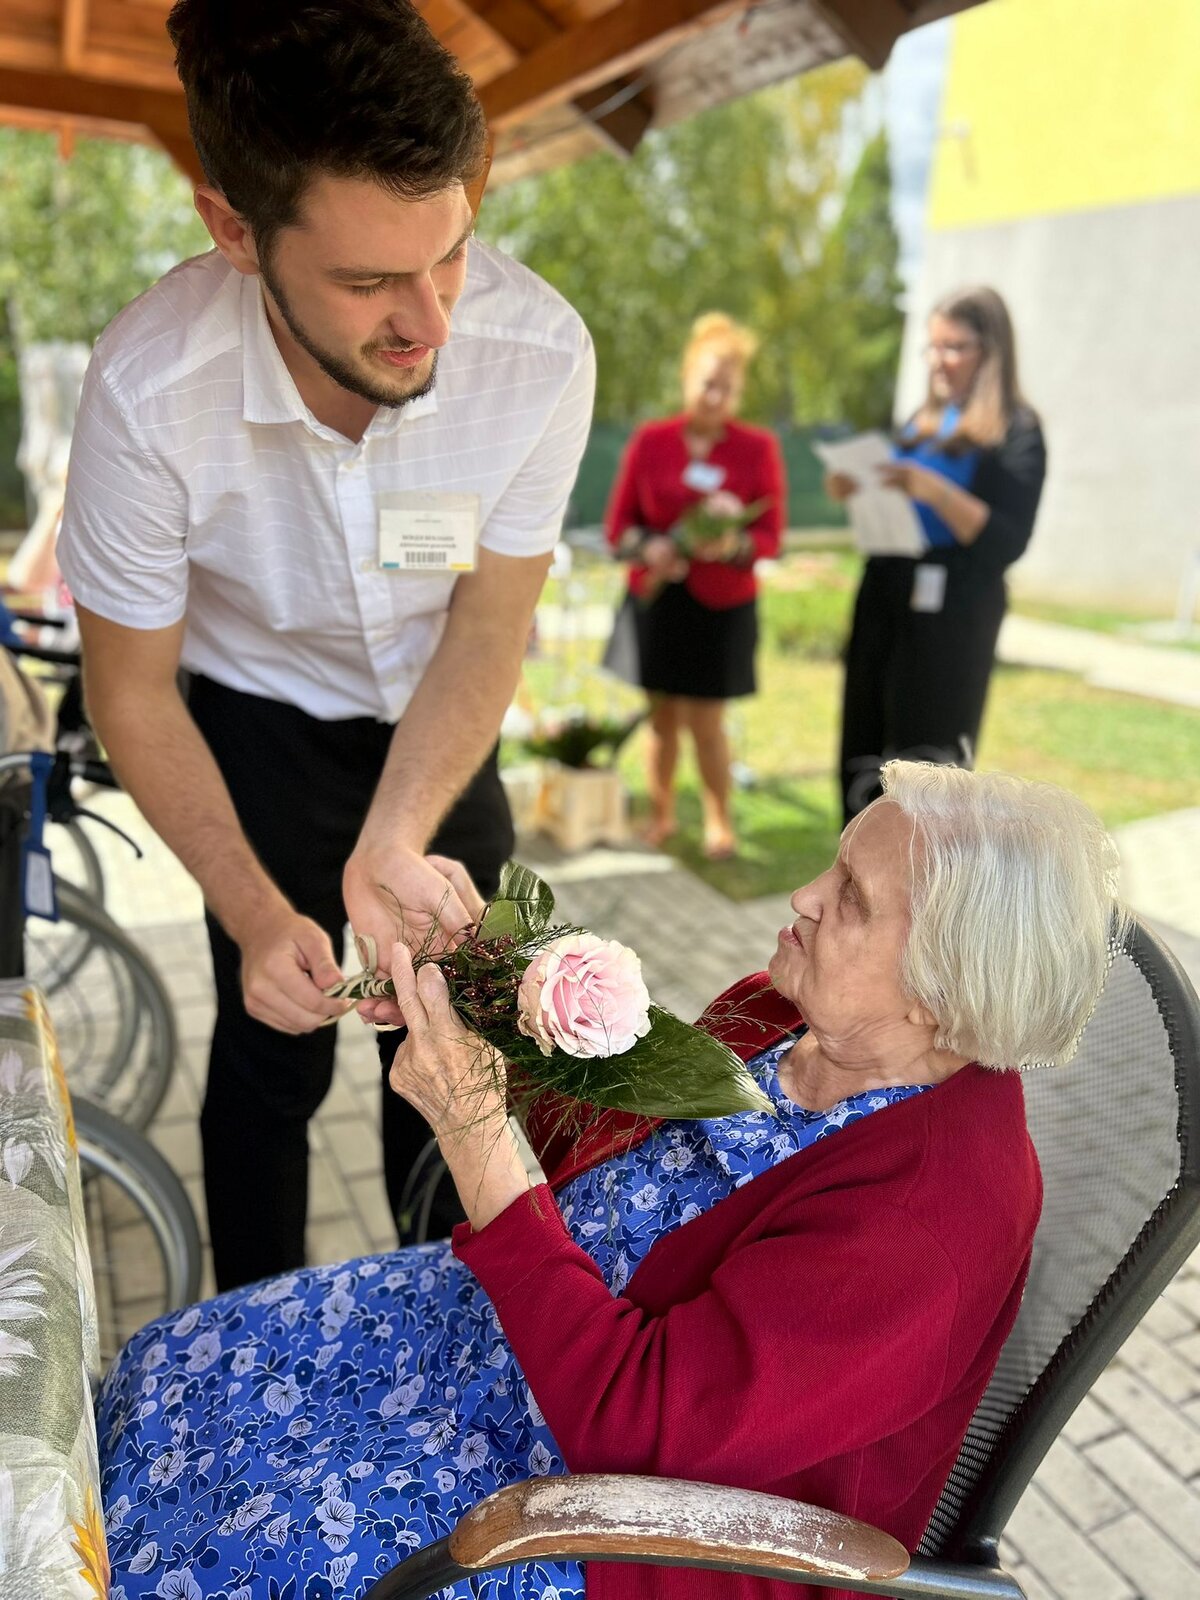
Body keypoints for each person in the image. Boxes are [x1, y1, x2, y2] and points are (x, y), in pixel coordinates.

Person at [96, 761, 1125, 1600]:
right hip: (511, 1339)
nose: (804, 896)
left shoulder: (930, 1217)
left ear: (943, 991)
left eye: (850, 898)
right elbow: (600, 1140)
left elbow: (637, 1430)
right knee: (176, 1362)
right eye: (834, 864)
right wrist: (482, 980)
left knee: (222, 1544)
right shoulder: (787, 1014)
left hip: (615, 1521)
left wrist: (473, 1133)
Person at [55, 0, 595, 1291]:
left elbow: (490, 627)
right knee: (270, 1053)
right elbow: (131, 690)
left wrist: (397, 836)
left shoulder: (540, 355)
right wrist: (252, 911)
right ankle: (255, 1333)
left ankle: (459, 1324)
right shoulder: (146, 388)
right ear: (234, 230)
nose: (432, 324)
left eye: (450, 255)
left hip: (440, 722)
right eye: (367, 283)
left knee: (462, 1055)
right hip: (252, 724)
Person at [826, 286, 1046, 825]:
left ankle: (921, 872)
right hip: (885, 596)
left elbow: (1009, 540)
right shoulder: (918, 425)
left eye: (954, 347)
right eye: (933, 347)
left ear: (991, 350)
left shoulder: (1017, 431)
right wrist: (855, 487)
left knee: (927, 764)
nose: (938, 361)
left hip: (953, 616)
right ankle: (856, 857)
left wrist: (934, 492)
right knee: (862, 746)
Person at [603, 313, 786, 859]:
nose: (716, 396)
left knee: (707, 722)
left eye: (728, 387)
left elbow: (770, 536)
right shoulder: (651, 440)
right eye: (709, 383)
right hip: (659, 599)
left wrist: (729, 545)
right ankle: (661, 815)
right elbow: (619, 528)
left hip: (720, 605)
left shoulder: (757, 448)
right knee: (661, 720)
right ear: (687, 378)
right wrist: (648, 547)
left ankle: (718, 822)